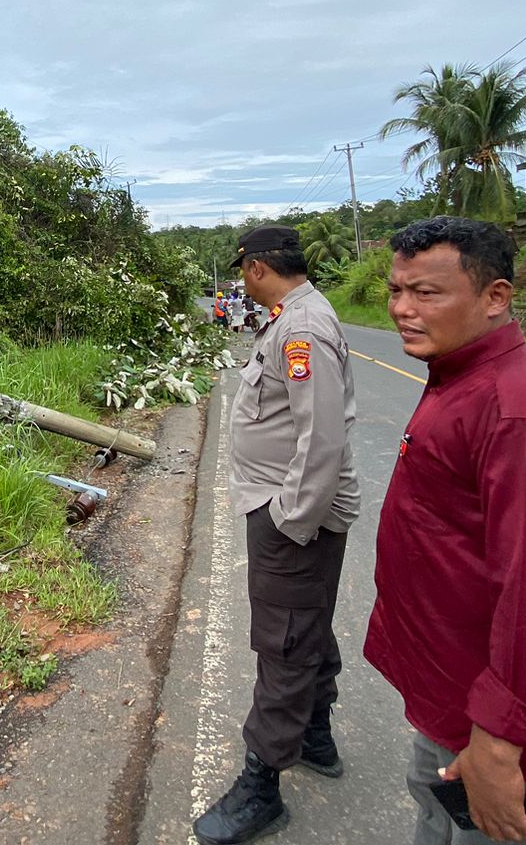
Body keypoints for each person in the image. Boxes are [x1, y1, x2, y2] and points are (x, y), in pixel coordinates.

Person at [365, 217, 526, 844]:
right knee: (437, 821)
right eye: (397, 290)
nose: (402, 308)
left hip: (500, 733)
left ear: (495, 297)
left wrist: (501, 742)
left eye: (426, 293)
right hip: (457, 697)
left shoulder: (523, 412)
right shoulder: (462, 377)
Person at [194, 225, 360, 845]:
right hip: (284, 504)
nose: (241, 279)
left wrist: (290, 520)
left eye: (243, 269)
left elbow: (321, 440)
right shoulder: (290, 318)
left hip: (292, 513)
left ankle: (261, 785)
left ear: (258, 268)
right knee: (303, 619)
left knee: (284, 641)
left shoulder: (302, 329)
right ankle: (316, 737)